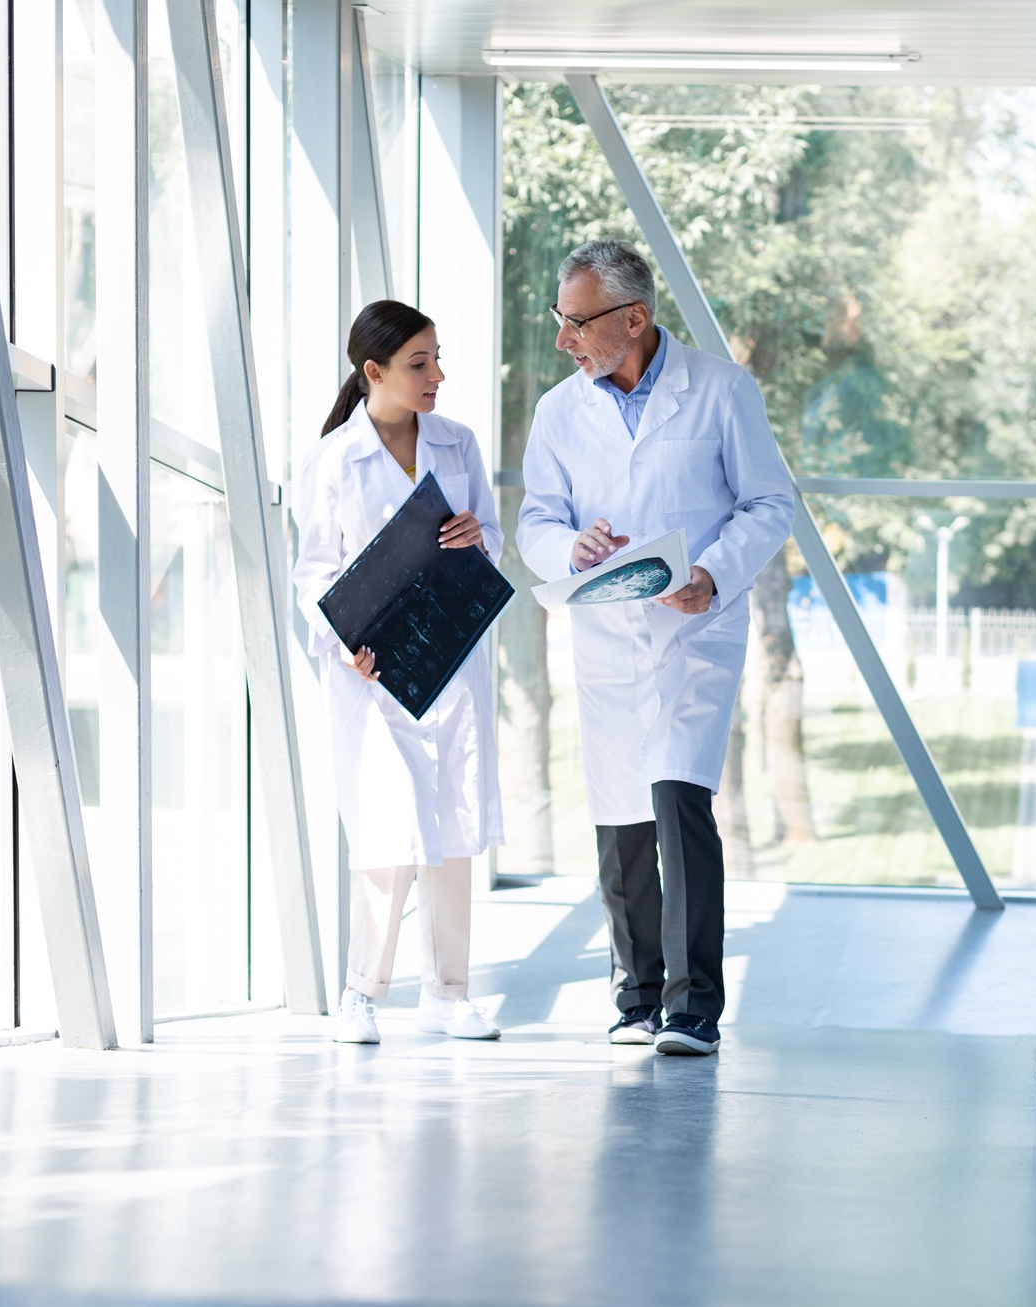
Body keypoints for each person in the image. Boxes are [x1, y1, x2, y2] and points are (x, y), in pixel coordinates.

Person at [517, 240, 795, 1057]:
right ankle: (636, 996)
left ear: (633, 318)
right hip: (607, 632)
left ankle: (693, 1005)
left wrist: (713, 574)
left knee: (678, 797)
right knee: (620, 814)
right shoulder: (559, 412)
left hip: (694, 629)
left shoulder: (720, 390)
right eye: (561, 320)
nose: (563, 340)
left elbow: (770, 502)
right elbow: (537, 519)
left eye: (577, 323)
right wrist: (570, 548)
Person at [292, 299, 505, 1045]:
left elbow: (491, 537)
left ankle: (449, 994)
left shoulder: (458, 443)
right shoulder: (332, 459)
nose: (437, 375)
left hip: (450, 657)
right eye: (420, 363)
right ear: (373, 371)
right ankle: (361, 993)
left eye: (438, 359)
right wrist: (343, 641)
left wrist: (480, 534)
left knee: (452, 827)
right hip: (374, 674)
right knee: (386, 831)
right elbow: (312, 575)